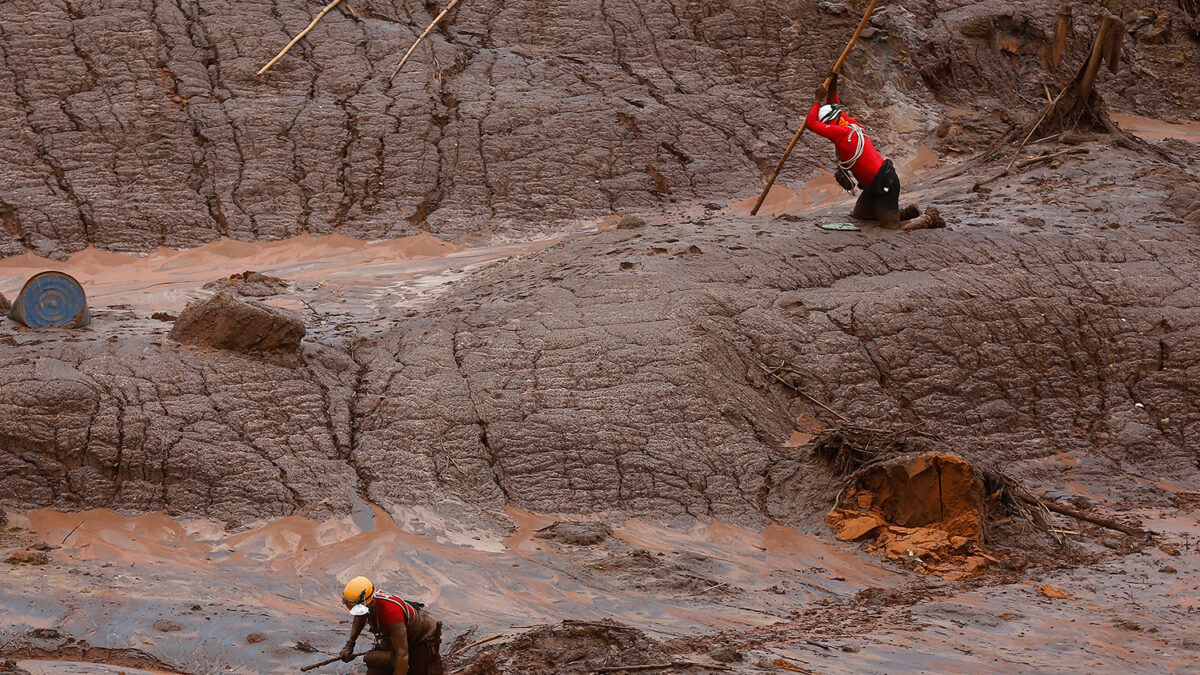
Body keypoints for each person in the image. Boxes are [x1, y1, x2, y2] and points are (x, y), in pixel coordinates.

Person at [805, 74, 941, 231]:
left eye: (826, 124)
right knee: (861, 216)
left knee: (891, 229)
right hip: (872, 185)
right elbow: (833, 105)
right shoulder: (850, 124)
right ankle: (908, 212)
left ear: (830, 122)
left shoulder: (840, 133)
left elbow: (811, 123)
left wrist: (816, 101)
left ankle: (929, 218)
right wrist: (833, 86)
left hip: (885, 182)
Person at [338, 576, 444, 675]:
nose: (355, 611)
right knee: (374, 667)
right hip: (395, 635)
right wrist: (350, 645)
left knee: (414, 671)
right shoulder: (367, 606)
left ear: (370, 603)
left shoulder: (391, 613)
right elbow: (360, 616)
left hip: (421, 636)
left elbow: (402, 655)